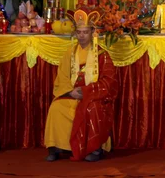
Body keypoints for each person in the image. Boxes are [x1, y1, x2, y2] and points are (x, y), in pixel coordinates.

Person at [44, 10, 118, 162]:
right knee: (57, 108)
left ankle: (95, 148)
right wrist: (70, 92)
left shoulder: (102, 55)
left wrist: (86, 91)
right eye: (79, 32)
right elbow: (62, 77)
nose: (82, 35)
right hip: (71, 94)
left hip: (92, 97)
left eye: (85, 32)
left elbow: (108, 82)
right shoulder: (69, 53)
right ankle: (58, 147)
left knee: (92, 108)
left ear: (92, 33)